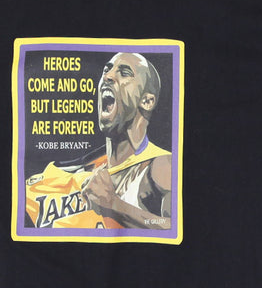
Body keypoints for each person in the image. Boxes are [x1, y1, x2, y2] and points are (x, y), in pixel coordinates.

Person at [25, 52, 172, 231]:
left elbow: (175, 228)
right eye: (106, 70)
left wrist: (113, 205)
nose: (108, 76)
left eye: (124, 73)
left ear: (147, 101)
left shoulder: (162, 164)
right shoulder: (70, 175)